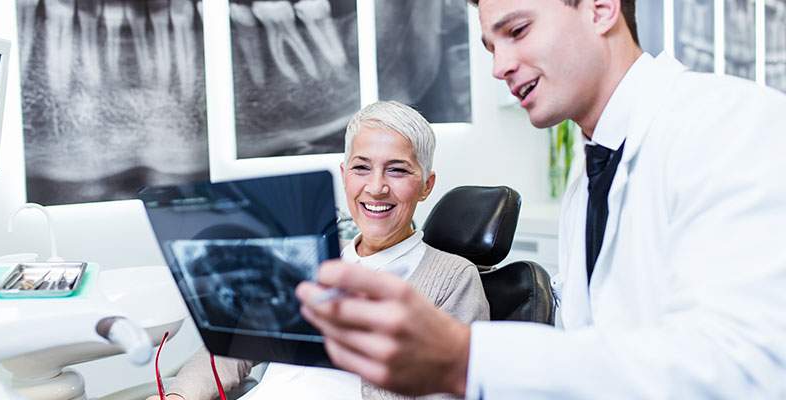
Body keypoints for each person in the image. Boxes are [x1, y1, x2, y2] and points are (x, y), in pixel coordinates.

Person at [296, 0, 786, 398]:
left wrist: (468, 360)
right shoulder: (588, 182)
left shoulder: (732, 123)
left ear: (600, 8)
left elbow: (750, 367)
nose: (499, 66)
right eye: (490, 46)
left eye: (518, 31)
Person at [149, 101, 489, 400]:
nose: (376, 187)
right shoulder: (308, 258)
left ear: (426, 185)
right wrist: (180, 395)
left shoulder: (453, 277)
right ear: (344, 176)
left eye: (397, 170)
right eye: (361, 167)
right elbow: (230, 352)